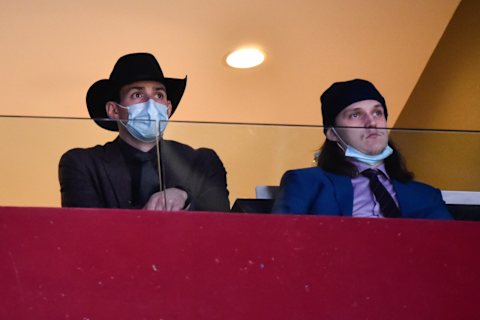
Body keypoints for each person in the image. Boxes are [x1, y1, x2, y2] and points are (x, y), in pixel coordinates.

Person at [59, 53, 230, 212]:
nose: (151, 103)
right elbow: (86, 233)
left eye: (159, 95)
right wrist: (143, 219)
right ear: (114, 110)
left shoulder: (202, 162)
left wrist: (184, 195)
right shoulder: (83, 164)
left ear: (168, 108)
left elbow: (223, 226)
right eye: (137, 94)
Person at [272, 79, 452, 219]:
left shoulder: (426, 195)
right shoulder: (307, 182)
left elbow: (451, 251)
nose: (371, 122)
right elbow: (281, 243)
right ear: (333, 133)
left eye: (377, 113)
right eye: (355, 115)